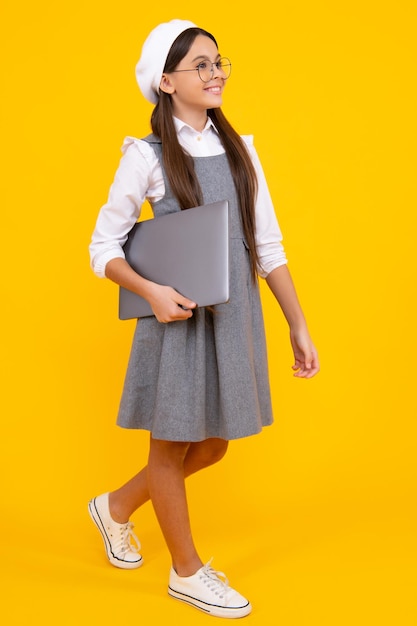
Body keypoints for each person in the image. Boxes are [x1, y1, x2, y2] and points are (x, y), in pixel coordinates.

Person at [88, 18, 319, 619]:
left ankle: (114, 507)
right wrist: (151, 291)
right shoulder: (147, 156)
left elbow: (267, 245)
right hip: (177, 321)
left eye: (220, 62)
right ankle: (186, 572)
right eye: (201, 65)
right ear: (166, 81)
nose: (216, 74)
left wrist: (296, 322)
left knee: (213, 444)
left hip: (232, 318)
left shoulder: (243, 150)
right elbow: (101, 249)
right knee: (169, 451)